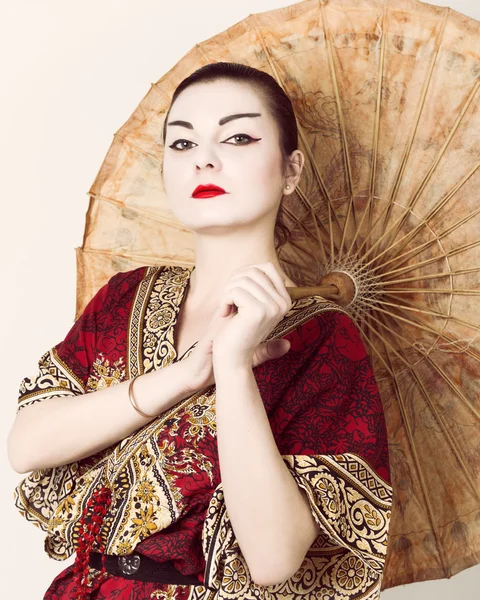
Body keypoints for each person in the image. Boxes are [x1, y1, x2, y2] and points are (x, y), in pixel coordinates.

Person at [8, 62, 393, 599]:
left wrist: (234, 368)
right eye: (182, 143)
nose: (204, 159)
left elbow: (274, 557)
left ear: (292, 170)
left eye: (237, 137)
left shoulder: (323, 339)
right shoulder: (127, 296)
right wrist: (187, 375)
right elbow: (27, 445)